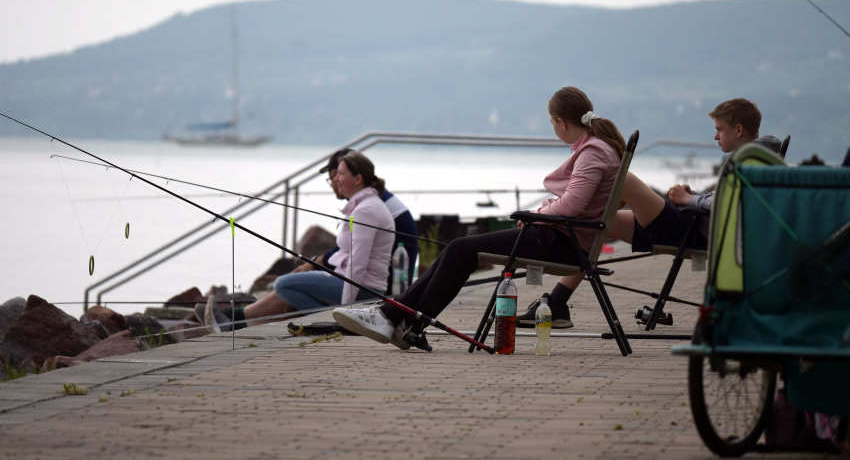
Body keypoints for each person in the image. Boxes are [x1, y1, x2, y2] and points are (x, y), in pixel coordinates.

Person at [333, 86, 627, 349]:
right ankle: (403, 321)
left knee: (461, 249)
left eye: (552, 123)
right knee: (458, 250)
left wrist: (535, 216)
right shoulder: (599, 148)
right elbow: (575, 204)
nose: (554, 128)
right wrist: (539, 214)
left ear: (561, 123)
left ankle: (397, 318)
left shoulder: (593, 153)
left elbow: (572, 206)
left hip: (562, 242)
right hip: (563, 237)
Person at [512, 98, 781, 328]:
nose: (715, 136)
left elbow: (733, 206)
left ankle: (554, 226)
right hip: (696, 225)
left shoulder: (750, 161)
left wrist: (690, 199)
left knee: (622, 179)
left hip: (700, 234)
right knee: (600, 222)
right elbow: (732, 200)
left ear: (738, 128)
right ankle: (557, 303)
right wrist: (696, 198)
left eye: (719, 129)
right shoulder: (754, 157)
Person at [203, 151, 395, 331]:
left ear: (358, 179)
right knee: (290, 285)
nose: (335, 179)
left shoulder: (366, 210)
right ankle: (332, 321)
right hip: (357, 282)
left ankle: (337, 322)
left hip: (365, 287)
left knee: (283, 285)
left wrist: (348, 309)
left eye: (341, 174)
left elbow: (357, 264)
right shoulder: (365, 206)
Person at [314, 148, 419, 293]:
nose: (334, 182)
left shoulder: (368, 207)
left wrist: (318, 262)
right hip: (376, 275)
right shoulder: (368, 199)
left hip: (387, 282)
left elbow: (357, 253)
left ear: (357, 178)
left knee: (286, 286)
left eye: (337, 175)